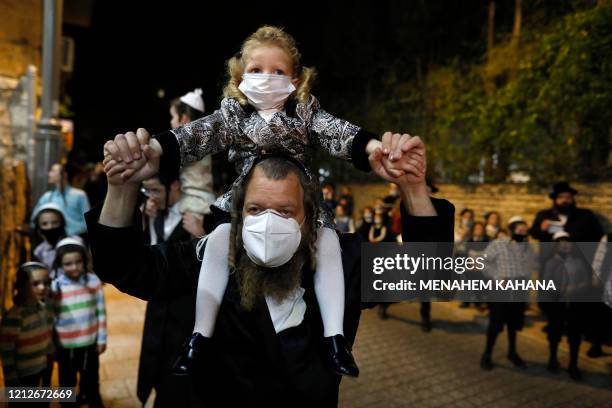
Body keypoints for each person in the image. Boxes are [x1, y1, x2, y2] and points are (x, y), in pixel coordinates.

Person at [102, 25, 425, 378]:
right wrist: (146, 161)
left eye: (278, 71)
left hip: (308, 206)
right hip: (235, 204)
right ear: (240, 76)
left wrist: (392, 165)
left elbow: (341, 134)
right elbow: (195, 135)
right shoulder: (231, 117)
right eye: (256, 70)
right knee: (217, 242)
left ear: (297, 79)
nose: (266, 78)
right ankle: (199, 336)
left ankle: (335, 339)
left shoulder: (306, 115)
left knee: (329, 241)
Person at [91, 131, 452, 405]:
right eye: (255, 209)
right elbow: (124, 267)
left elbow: (424, 272)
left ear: (309, 218)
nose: (267, 223)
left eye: (284, 211)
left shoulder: (340, 262)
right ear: (238, 213)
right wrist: (122, 189)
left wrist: (412, 187)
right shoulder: (209, 259)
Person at [138, 170, 203, 407]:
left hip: (185, 308)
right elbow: (147, 263)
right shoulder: (153, 215)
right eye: (147, 191)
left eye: (155, 190)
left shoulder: (197, 216)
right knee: (156, 360)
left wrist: (202, 236)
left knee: (181, 372)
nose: (151, 197)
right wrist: (144, 223)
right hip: (157, 307)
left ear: (174, 185)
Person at [529, 181, 605, 357]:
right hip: (551, 265)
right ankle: (554, 324)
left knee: (577, 302)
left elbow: (597, 236)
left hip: (578, 265)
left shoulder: (585, 215)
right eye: (562, 197)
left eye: (569, 197)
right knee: (551, 299)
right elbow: (534, 233)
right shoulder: (544, 215)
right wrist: (542, 229)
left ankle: (575, 330)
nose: (565, 200)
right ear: (555, 199)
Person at [52, 238, 106, 408]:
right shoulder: (55, 287)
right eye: (68, 264)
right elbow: (52, 316)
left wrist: (102, 339)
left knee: (91, 377)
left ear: (84, 261)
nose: (74, 267)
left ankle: (93, 400)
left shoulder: (93, 282)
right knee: (67, 381)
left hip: (89, 342)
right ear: (60, 265)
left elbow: (101, 312)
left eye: (78, 262)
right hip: (65, 345)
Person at [480, 216, 536, 371]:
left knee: (514, 324)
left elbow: (529, 269)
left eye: (525, 231)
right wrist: (497, 277)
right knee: (496, 324)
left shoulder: (528, 247)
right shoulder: (499, 244)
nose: (523, 233)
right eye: (520, 230)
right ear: (511, 229)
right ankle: (487, 354)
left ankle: (512, 352)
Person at [542, 231, 591, 381]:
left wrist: (575, 288)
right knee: (554, 333)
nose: (566, 246)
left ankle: (573, 365)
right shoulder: (551, 262)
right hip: (557, 304)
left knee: (574, 335)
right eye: (562, 244)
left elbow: (587, 282)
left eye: (568, 243)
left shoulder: (578, 262)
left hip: (574, 305)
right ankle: (552, 359)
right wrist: (560, 291)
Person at [0, 262, 54, 392]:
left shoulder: (43, 308)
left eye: (46, 283)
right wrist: (11, 381)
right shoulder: (15, 317)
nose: (42, 287)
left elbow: (47, 338)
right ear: (22, 286)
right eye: (35, 284)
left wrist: (49, 366)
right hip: (23, 376)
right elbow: (7, 353)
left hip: (42, 368)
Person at [170, 88, 216, 239]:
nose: (171, 122)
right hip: (198, 204)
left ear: (184, 119)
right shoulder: (204, 139)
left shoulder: (190, 141)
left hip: (196, 206)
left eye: (173, 116)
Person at [32, 163, 91, 238]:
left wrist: (67, 232)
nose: (49, 173)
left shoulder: (80, 195)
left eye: (53, 171)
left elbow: (88, 223)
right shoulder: (47, 197)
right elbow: (34, 220)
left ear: (64, 174)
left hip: (76, 239)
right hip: (52, 239)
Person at [31, 203, 68, 273]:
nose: (50, 227)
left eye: (55, 223)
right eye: (45, 224)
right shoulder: (39, 251)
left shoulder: (75, 242)